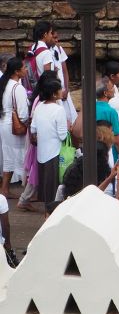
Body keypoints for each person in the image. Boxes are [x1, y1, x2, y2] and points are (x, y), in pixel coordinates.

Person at [31, 73, 76, 214]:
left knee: (46, 186)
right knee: (55, 187)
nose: (62, 91)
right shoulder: (58, 110)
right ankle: (51, 214)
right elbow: (62, 135)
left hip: (42, 152)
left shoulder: (39, 107)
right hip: (55, 153)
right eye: (60, 89)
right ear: (54, 93)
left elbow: (33, 128)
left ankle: (47, 211)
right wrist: (69, 129)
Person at [0, 55, 29, 196]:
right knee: (21, 156)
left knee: (8, 156)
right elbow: (23, 114)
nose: (26, 70)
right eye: (24, 68)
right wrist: (28, 122)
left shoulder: (4, 84)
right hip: (14, 126)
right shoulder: (18, 88)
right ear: (17, 72)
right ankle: (28, 193)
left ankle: (4, 188)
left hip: (4, 123)